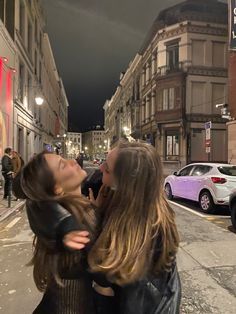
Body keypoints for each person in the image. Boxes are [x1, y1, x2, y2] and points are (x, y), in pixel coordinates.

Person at [87, 141, 181, 313]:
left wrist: (95, 217)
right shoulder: (152, 209)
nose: (100, 168)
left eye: (107, 168)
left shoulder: (135, 233)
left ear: (125, 184)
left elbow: (106, 283)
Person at [18, 152, 97, 314]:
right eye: (63, 164)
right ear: (57, 188)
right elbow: (69, 302)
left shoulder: (81, 209)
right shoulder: (73, 223)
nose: (73, 160)